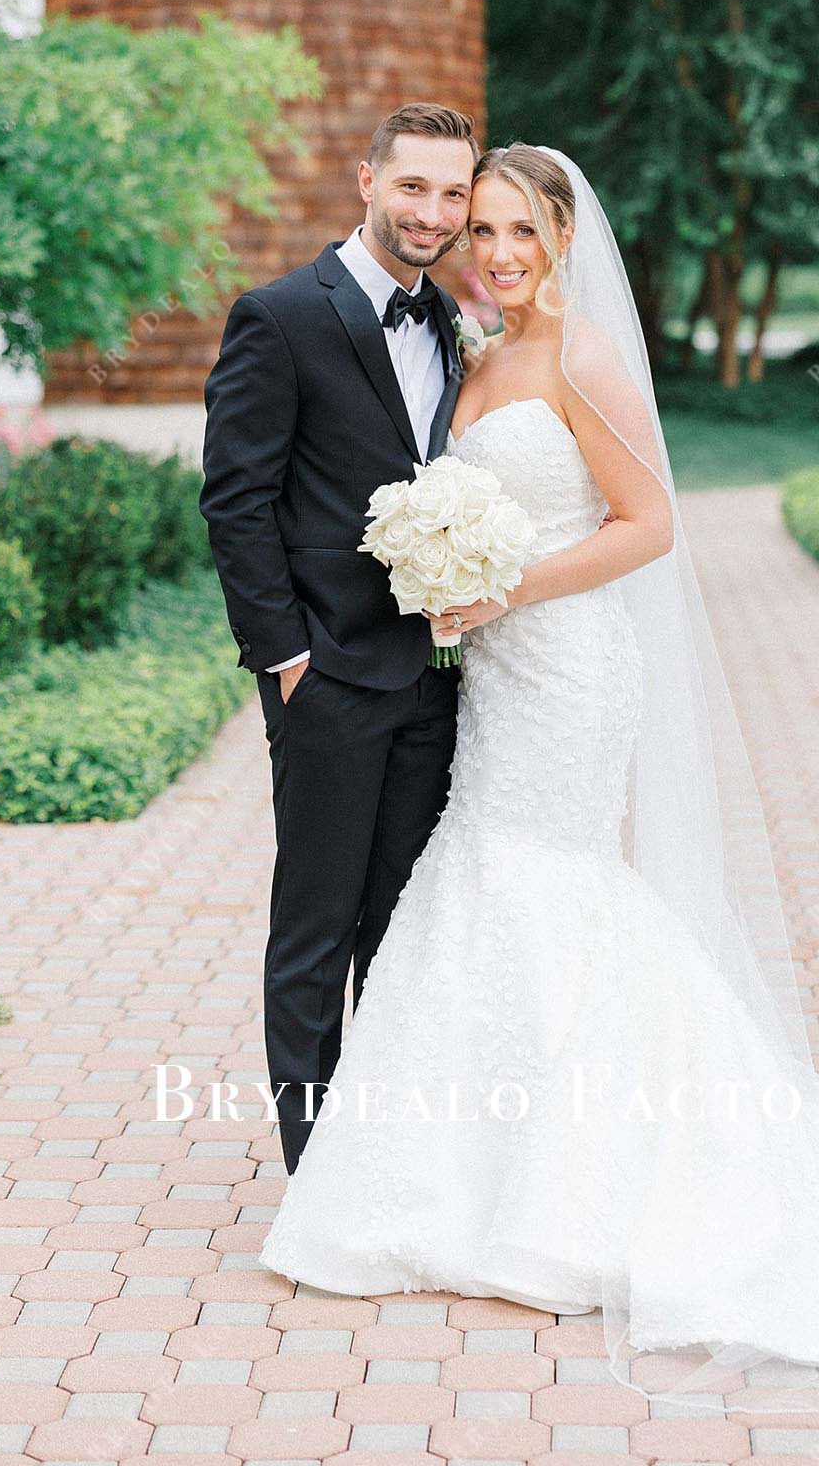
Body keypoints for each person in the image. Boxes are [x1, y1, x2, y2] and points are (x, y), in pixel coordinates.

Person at [256, 142, 819, 1417]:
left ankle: (581, 1185)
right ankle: (468, 1173)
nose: (494, 251)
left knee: (544, 878)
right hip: (489, 671)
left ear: (560, 236)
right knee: (484, 877)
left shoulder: (583, 356)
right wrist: (449, 589)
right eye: (480, 228)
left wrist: (503, 586)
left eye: (518, 230)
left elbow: (648, 522)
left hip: (566, 664)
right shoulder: (472, 350)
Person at [199, 102, 478, 1177]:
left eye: (454, 193)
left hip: (435, 675)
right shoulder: (280, 316)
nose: (435, 212)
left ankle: (386, 1147)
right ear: (367, 180)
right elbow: (237, 500)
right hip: (328, 676)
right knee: (315, 929)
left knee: (400, 926)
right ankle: (313, 1168)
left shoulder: (451, 319)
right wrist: (288, 658)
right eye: (415, 186)